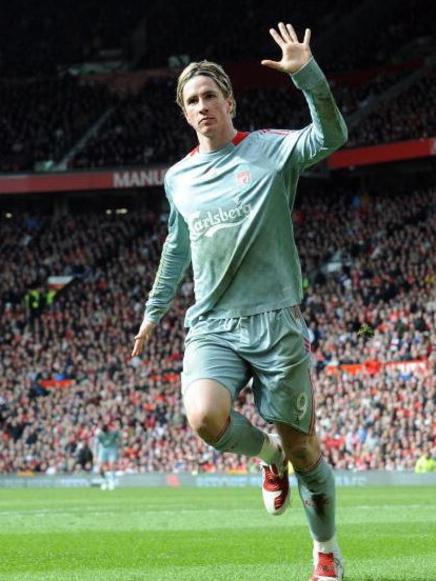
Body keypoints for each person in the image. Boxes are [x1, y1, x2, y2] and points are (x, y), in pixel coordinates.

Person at [132, 22, 347, 581]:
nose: (203, 106)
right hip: (214, 324)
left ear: (229, 100)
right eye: (192, 100)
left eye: (210, 96)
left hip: (276, 322)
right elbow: (177, 247)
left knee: (307, 452)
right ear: (185, 112)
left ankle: (325, 550)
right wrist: (155, 310)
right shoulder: (178, 178)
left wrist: (308, 76)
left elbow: (331, 137)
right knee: (204, 417)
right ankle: (266, 458)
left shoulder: (272, 151)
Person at [94, 422, 121, 490]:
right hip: (103, 449)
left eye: (106, 431)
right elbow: (96, 445)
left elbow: (120, 438)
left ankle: (111, 481)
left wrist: (120, 447)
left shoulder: (114, 432)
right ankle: (104, 481)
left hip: (112, 448)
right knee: (100, 467)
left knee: (111, 464)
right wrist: (95, 455)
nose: (105, 433)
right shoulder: (99, 434)